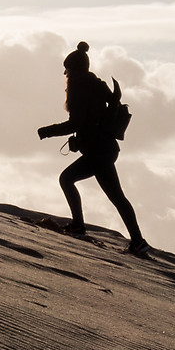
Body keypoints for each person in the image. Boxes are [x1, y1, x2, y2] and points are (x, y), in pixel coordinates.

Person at [37, 41, 150, 253]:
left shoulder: (79, 87)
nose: (65, 73)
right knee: (75, 182)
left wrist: (46, 131)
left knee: (111, 194)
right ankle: (85, 227)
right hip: (104, 148)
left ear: (74, 69)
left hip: (98, 152)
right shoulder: (95, 84)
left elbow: (76, 123)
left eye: (67, 69)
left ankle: (136, 241)